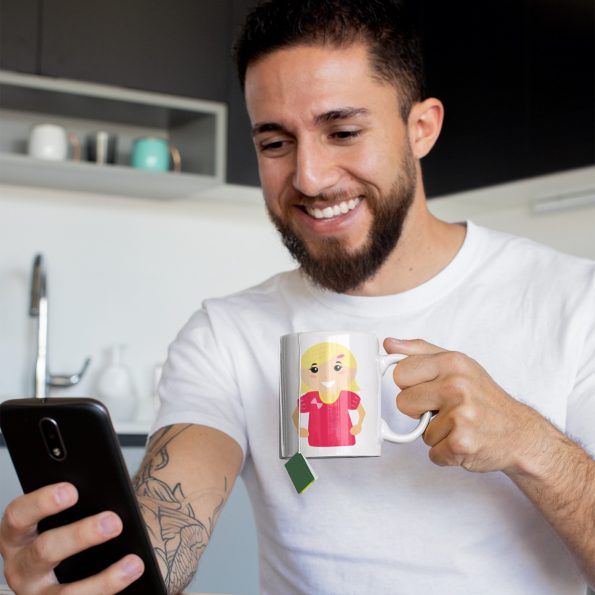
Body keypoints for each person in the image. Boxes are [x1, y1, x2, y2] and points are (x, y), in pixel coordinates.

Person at [1, 1, 594, 593]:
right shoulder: (226, 334)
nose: (309, 177)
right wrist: (105, 573)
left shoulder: (575, 301)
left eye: (343, 131)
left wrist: (529, 442)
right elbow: (172, 509)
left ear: (422, 128)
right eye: (276, 143)